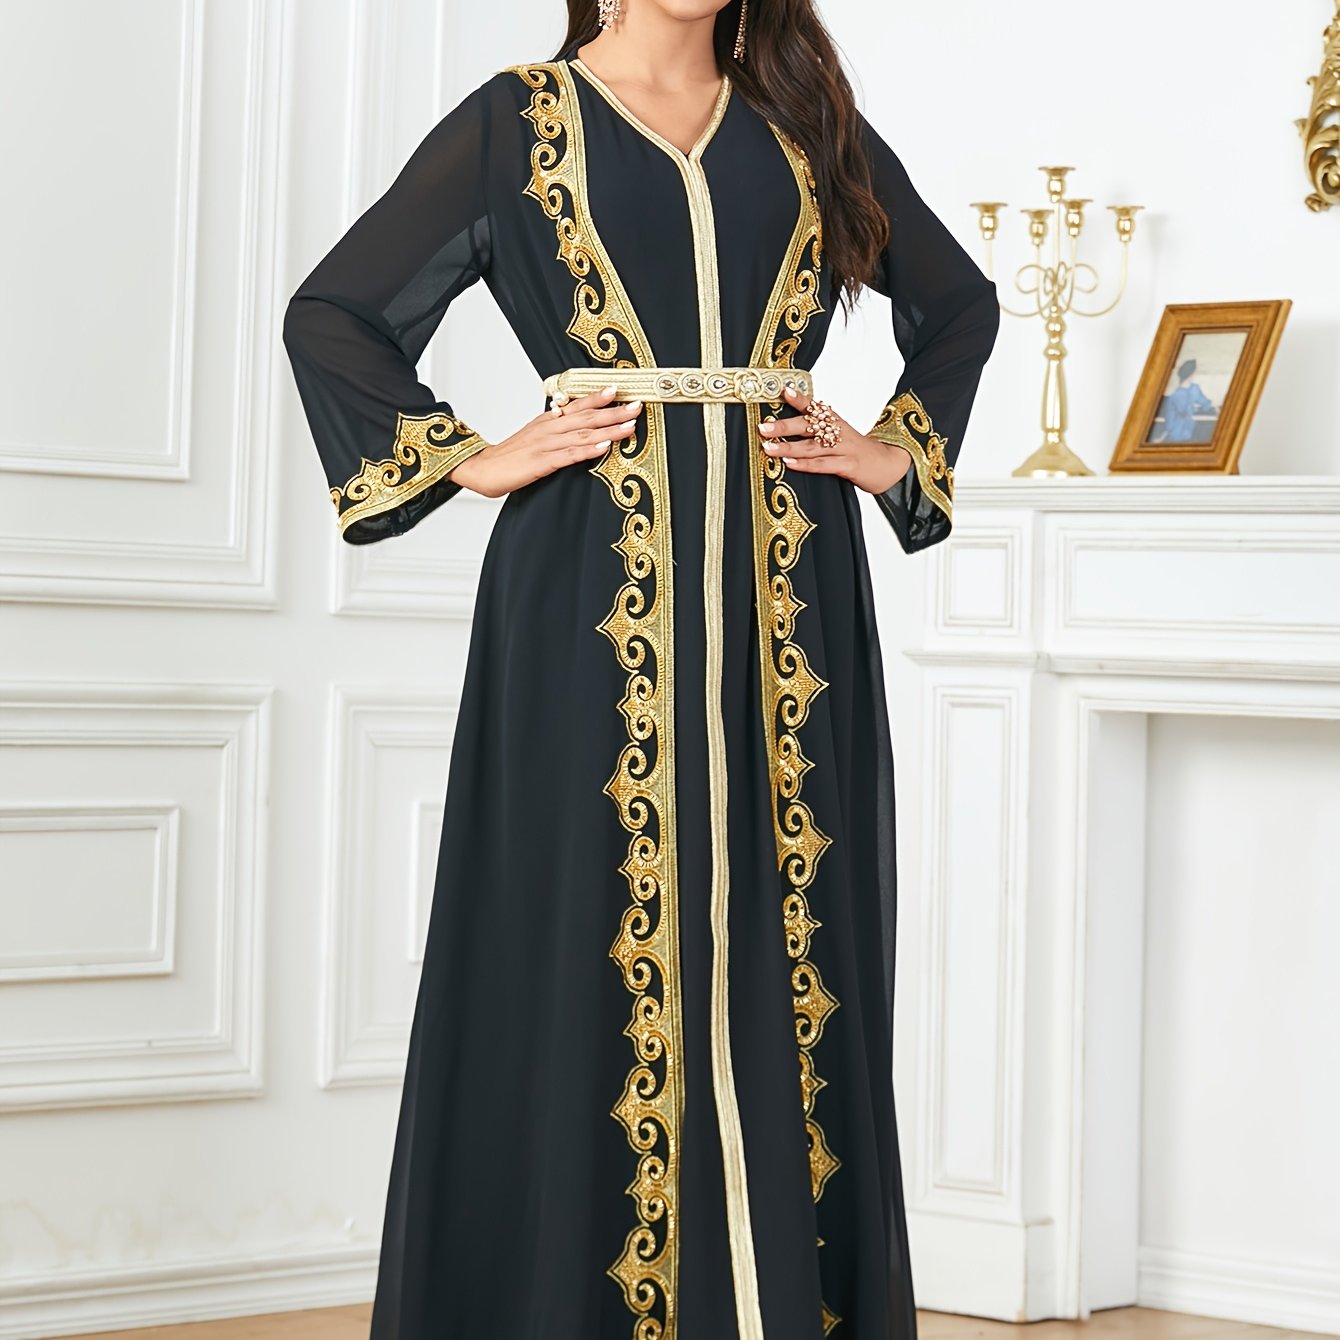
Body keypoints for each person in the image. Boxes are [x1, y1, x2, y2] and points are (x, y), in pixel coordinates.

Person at [282, 1, 998, 1335]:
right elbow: (333, 312)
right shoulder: (517, 122)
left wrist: (893, 451)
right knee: (591, 929)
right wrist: (466, 456)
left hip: (790, 593)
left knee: (786, 933)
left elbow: (958, 304)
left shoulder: (805, 123)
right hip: (586, 590)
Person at [1152, 357, 1218, 443]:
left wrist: (1161, 438)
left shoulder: (1175, 396)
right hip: (1187, 432)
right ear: (1191, 374)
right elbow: (1206, 405)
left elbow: (1169, 424)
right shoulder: (1194, 389)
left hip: (1180, 434)